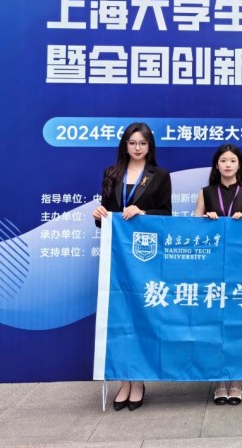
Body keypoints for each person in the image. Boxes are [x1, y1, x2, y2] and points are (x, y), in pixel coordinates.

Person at [92, 121, 172, 411]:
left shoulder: (160, 175)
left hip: (145, 259)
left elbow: (166, 215)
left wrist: (143, 211)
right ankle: (123, 381)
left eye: (143, 143)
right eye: (132, 143)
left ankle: (137, 380)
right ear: (124, 145)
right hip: (117, 257)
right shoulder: (111, 173)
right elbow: (106, 218)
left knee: (140, 316)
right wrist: (99, 216)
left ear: (150, 146)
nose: (137, 148)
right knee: (119, 318)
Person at [193, 144, 242, 405]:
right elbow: (191, 229)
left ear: (239, 164)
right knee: (215, 324)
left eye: (233, 160)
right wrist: (204, 221)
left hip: (241, 268)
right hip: (211, 268)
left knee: (238, 324)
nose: (228, 164)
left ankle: (236, 379)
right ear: (217, 165)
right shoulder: (206, 192)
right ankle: (220, 380)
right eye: (223, 160)